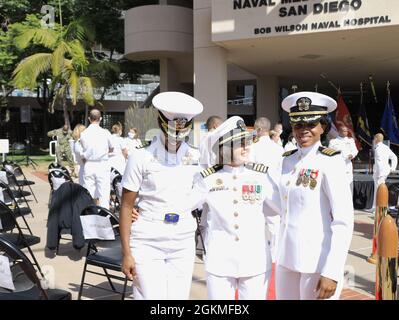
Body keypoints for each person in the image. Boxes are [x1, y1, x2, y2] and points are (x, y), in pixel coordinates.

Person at [120, 91, 203, 300]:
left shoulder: (196, 157)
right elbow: (126, 206)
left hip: (183, 238)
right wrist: (127, 252)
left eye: (182, 131)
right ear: (160, 122)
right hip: (148, 237)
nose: (176, 137)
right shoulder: (141, 157)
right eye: (172, 130)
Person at [191, 116, 280, 300]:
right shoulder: (207, 179)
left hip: (254, 260)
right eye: (240, 143)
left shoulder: (260, 176)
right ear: (224, 149)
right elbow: (184, 206)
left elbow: (284, 207)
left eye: (247, 141)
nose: (247, 147)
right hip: (220, 261)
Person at [276, 91, 354, 300]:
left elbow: (343, 221)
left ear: (323, 126)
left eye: (311, 124)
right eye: (298, 125)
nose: (304, 130)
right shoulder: (286, 161)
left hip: (317, 261)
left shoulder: (331, 161)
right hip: (286, 258)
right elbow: (274, 204)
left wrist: (332, 270)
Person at [249, 117, 284, 263]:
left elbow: (248, 168)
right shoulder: (279, 148)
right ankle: (274, 255)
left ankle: (256, 253)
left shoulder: (252, 147)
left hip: (255, 189)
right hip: (274, 190)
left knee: (254, 223)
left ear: (258, 129)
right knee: (274, 224)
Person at [79, 109, 114, 208]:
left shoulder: (84, 133)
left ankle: (89, 214)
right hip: (102, 164)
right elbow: (112, 147)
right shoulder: (105, 132)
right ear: (101, 119)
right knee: (103, 193)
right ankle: (104, 217)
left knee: (88, 193)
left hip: (89, 164)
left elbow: (82, 149)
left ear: (89, 119)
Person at [371, 133, 398, 210]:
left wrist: (392, 168)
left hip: (381, 172)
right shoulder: (383, 147)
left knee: (380, 190)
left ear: (376, 139)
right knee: (377, 189)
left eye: (374, 138)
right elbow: (394, 157)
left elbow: (382, 162)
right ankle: (375, 207)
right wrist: (392, 168)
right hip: (379, 171)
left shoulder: (381, 148)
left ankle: (381, 207)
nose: (373, 140)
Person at [328, 125, 358, 191]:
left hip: (347, 165)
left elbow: (355, 150)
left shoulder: (350, 140)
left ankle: (349, 201)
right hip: (337, 166)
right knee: (338, 186)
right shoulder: (333, 141)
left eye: (347, 131)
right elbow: (329, 153)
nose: (346, 133)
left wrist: (352, 155)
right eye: (344, 131)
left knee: (349, 185)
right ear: (339, 132)